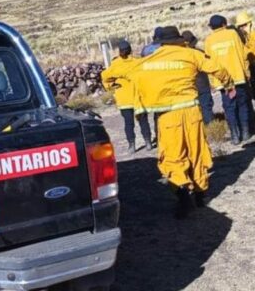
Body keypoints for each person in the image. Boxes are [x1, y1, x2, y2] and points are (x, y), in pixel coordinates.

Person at [127, 26, 235, 219]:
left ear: (160, 42)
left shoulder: (150, 61)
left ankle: (183, 196)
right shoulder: (191, 54)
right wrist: (228, 84)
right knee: (197, 152)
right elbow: (217, 68)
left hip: (168, 116)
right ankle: (201, 194)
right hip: (192, 112)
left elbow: (128, 75)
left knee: (173, 156)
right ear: (178, 39)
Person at [204, 15, 252, 145]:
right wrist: (246, 73)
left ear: (212, 27)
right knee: (242, 104)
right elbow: (243, 55)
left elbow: (208, 63)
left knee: (229, 108)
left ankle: (235, 135)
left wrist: (213, 82)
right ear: (224, 24)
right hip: (238, 77)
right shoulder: (233, 34)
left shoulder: (209, 40)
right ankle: (246, 132)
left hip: (222, 82)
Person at [101, 40, 153, 152]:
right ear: (130, 50)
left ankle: (131, 146)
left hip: (124, 99)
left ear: (119, 51)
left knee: (128, 123)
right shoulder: (138, 62)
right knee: (143, 121)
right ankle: (148, 142)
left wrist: (111, 85)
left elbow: (105, 77)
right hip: (138, 97)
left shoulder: (115, 64)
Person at [182, 30, 215, 124]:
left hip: (188, 86)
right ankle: (211, 128)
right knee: (206, 107)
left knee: (192, 110)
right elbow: (210, 65)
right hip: (202, 84)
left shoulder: (181, 56)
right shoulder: (200, 53)